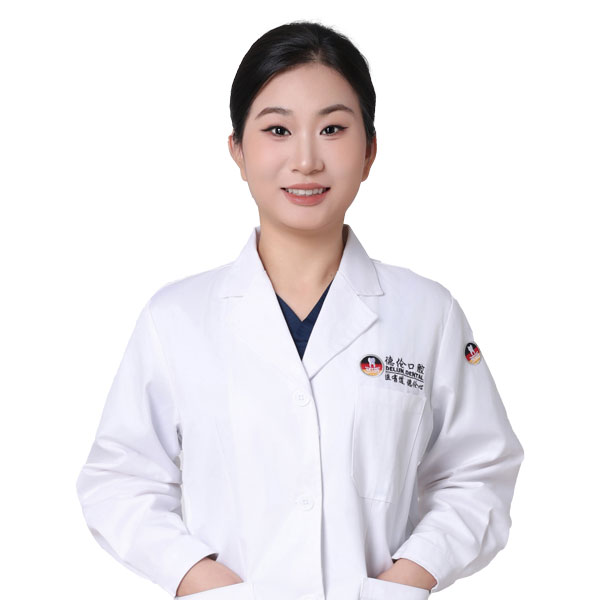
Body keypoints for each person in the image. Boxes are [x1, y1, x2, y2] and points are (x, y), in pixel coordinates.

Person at [75, 20, 524, 600]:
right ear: (238, 151)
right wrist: (202, 581)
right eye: (278, 130)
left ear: (369, 150)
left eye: (333, 128)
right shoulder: (176, 319)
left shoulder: (427, 313)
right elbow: (119, 481)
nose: (306, 160)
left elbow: (479, 471)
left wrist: (406, 581)